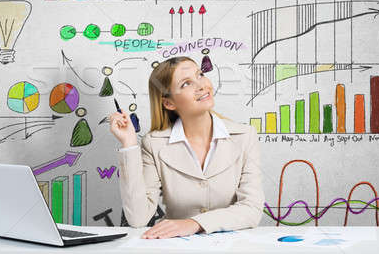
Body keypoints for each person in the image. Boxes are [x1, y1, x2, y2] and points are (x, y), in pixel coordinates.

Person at [109, 56, 264, 239]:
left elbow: (251, 209)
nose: (201, 86)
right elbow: (138, 218)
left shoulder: (245, 136)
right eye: (186, 84)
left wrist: (194, 223)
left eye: (200, 75)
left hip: (234, 246)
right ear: (169, 103)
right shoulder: (154, 144)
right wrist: (129, 144)